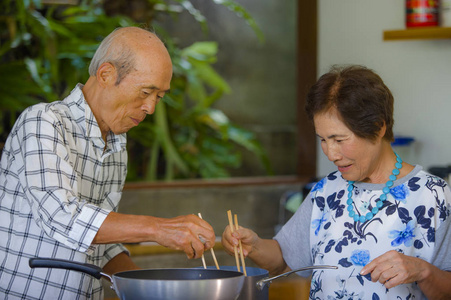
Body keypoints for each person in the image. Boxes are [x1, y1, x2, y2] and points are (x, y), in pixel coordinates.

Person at [0, 26, 216, 299]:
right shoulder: (43, 122)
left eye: (159, 97)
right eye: (145, 92)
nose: (151, 108)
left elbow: (100, 243)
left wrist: (151, 290)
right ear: (106, 74)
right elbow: (62, 217)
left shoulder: (116, 147)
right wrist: (158, 229)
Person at [222, 65, 451, 299]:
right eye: (323, 139)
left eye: (339, 139)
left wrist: (424, 272)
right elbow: (284, 260)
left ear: (379, 127)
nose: (331, 153)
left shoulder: (433, 195)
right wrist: (254, 245)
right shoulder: (326, 191)